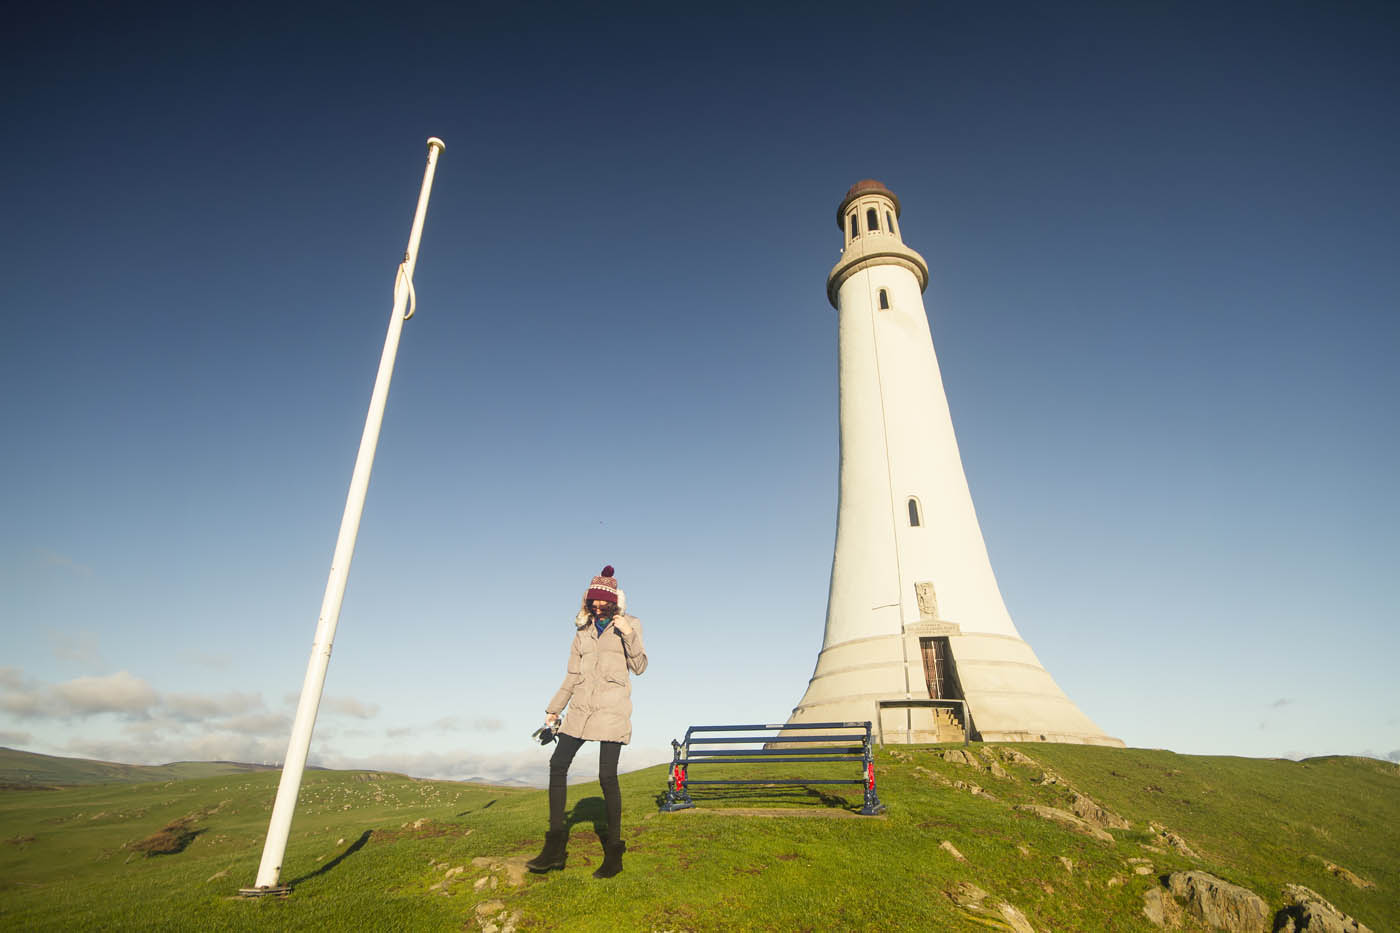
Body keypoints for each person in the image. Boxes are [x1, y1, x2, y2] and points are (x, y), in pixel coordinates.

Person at [526, 565, 647, 879]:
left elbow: (640, 666)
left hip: (611, 707)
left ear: (614, 602)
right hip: (580, 707)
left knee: (606, 776)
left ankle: (614, 854)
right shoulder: (582, 631)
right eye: (592, 601)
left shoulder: (630, 624)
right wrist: (554, 709)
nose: (596, 606)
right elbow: (572, 675)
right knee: (558, 763)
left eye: (602, 602)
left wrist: (629, 635)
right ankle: (554, 849)